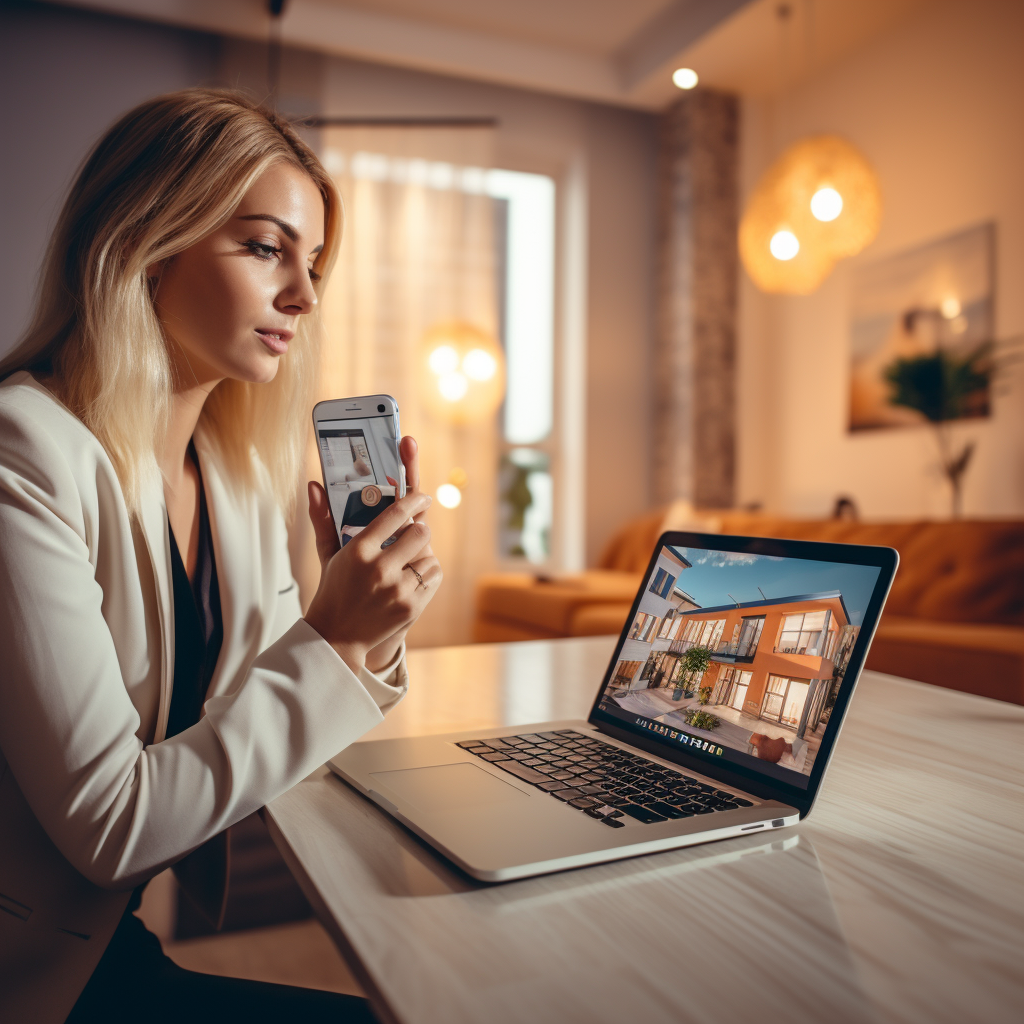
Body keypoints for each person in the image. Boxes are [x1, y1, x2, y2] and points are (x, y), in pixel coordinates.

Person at [0, 89, 441, 1023]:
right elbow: (111, 824)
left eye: (314, 261)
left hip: (116, 932)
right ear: (145, 240)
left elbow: (274, 693)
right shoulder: (23, 453)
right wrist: (330, 637)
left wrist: (370, 623)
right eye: (265, 246)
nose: (307, 295)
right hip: (33, 968)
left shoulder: (232, 473)